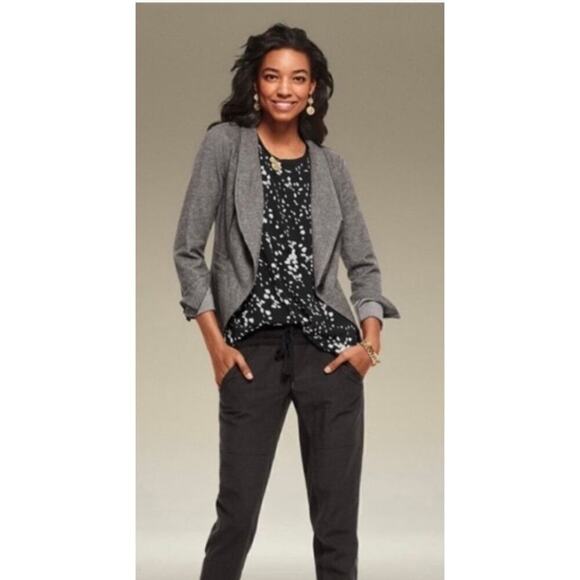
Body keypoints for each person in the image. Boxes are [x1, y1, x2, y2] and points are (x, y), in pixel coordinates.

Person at [173, 23, 400, 580]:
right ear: (255, 82)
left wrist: (369, 344)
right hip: (251, 353)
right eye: (272, 76)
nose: (284, 88)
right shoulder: (224, 146)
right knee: (237, 515)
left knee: (336, 525)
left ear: (313, 88)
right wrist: (216, 346)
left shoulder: (331, 166)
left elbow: (364, 265)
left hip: (330, 356)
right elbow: (187, 251)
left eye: (298, 78)